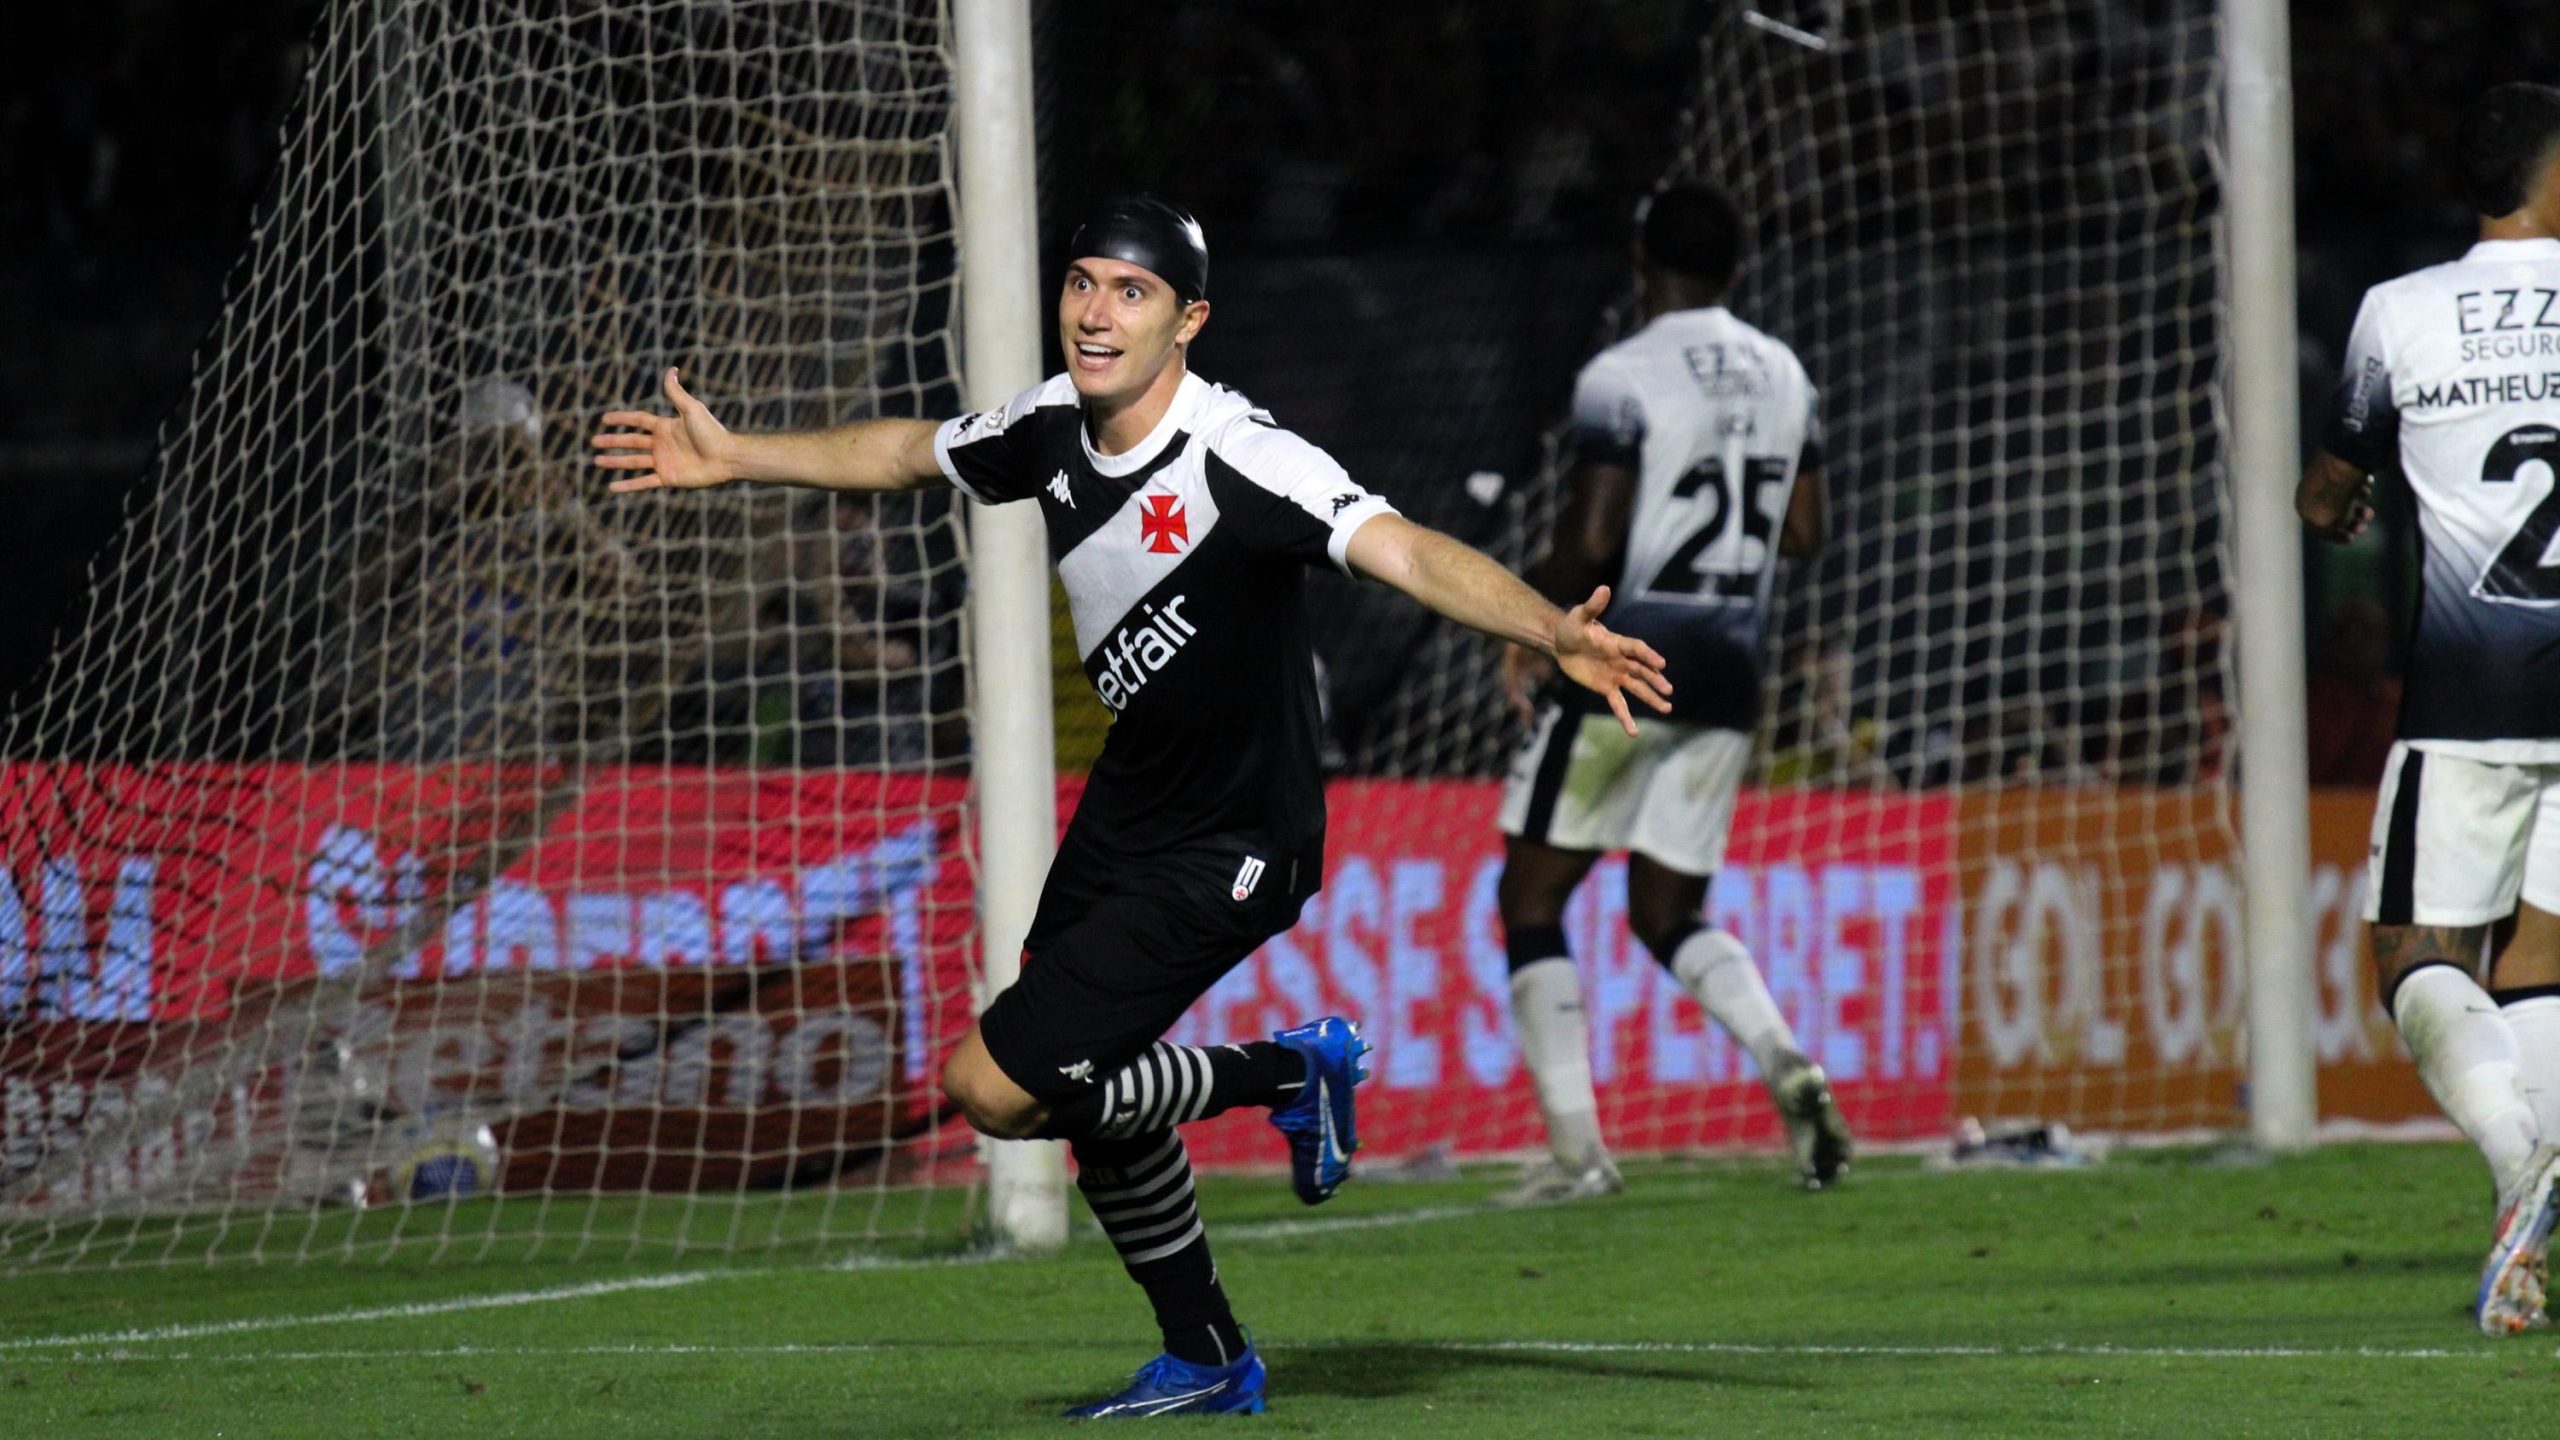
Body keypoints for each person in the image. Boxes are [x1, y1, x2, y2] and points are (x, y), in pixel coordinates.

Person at [593, 195, 1671, 1415]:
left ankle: (1276, 1072)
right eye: (1084, 284)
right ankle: (1208, 1352)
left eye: (1133, 293)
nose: (1096, 314)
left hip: (1239, 836)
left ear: (1188, 320)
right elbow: (905, 453)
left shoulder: (1245, 458)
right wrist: (736, 457)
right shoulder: (1051, 425)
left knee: (996, 1087)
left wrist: (1547, 627)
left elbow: (1410, 550)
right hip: (1128, 811)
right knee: (1068, 1087)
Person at [1491, 182, 1849, 1204]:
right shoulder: (1785, 371)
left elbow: (1596, 539)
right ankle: (1787, 1061)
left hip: (1625, 660)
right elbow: (1807, 534)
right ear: (1736, 270)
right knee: (1665, 907)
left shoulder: (1621, 372)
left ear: (1640, 259)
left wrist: (1530, 619)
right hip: (1732, 666)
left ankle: (1576, 1158)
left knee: (1531, 896)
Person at [2296, 82, 2560, 1336]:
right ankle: (2529, 1245)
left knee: (2413, 958)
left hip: (2469, 693)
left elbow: (2330, 487)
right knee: (2546, 963)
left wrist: (2331, 504)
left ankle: (2521, 1164)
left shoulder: (2394, 314)